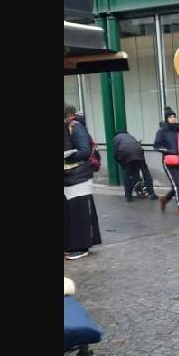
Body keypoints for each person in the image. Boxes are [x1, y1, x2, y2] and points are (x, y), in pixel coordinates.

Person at [63, 104, 102, 260]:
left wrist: (67, 156)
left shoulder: (75, 126)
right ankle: (71, 245)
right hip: (68, 176)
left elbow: (84, 151)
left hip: (78, 175)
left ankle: (81, 247)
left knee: (79, 213)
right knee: (70, 213)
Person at [154, 107, 179, 217]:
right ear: (166, 119)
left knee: (178, 185)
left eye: (174, 117)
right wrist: (169, 151)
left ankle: (164, 199)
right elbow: (157, 146)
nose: (173, 119)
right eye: (170, 117)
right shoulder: (161, 131)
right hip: (168, 161)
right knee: (178, 185)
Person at [112, 130, 156, 202]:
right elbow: (137, 145)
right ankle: (152, 194)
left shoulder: (116, 138)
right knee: (145, 172)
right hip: (139, 152)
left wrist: (122, 165)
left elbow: (115, 154)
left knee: (127, 175)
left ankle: (129, 197)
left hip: (126, 154)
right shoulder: (131, 136)